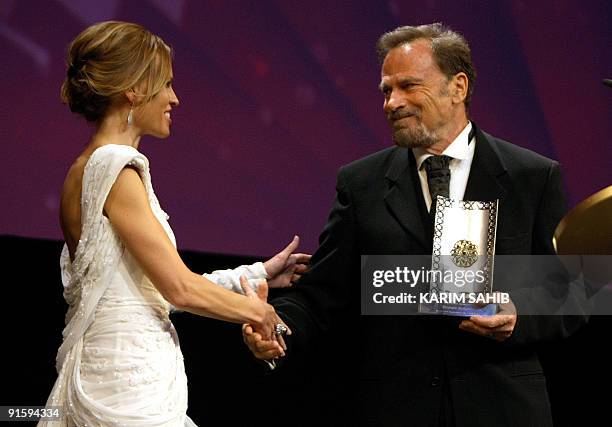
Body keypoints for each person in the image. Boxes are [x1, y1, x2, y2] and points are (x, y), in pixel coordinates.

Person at [242, 23, 587, 426]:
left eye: (408, 86)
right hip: (398, 408)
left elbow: (572, 290)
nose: (391, 103)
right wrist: (277, 325)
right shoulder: (362, 183)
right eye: (386, 90)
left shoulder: (531, 176)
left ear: (457, 87)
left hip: (502, 408)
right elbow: (321, 295)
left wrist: (518, 313)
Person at [40, 21, 308, 426]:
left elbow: (143, 290)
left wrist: (255, 274)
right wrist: (258, 313)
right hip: (129, 391)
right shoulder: (115, 168)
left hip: (107, 374)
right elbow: (178, 288)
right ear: (133, 89)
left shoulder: (83, 169)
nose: (174, 97)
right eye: (165, 84)